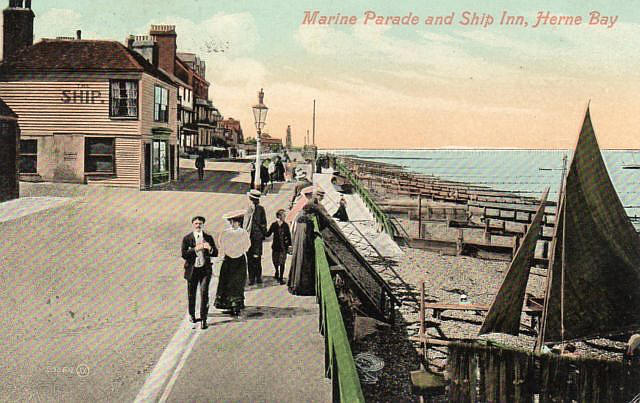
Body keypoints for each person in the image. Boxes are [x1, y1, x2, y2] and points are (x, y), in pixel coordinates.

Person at [181, 216, 218, 329]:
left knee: (204, 294)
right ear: (193, 224)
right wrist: (197, 248)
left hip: (204, 270)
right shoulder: (187, 238)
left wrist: (210, 248)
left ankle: (204, 319)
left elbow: (215, 253)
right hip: (192, 270)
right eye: (196, 223)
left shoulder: (208, 237)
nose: (198, 225)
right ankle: (192, 314)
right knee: (191, 294)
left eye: (200, 223)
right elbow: (184, 254)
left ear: (203, 225)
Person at [214, 210, 252, 316]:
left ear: (239, 222)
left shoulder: (242, 233)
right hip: (230, 260)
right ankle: (228, 304)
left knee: (237, 281)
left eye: (234, 222)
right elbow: (221, 244)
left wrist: (235, 251)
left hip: (238, 259)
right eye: (230, 221)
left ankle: (236, 305)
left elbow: (247, 246)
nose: (232, 224)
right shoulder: (225, 232)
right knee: (228, 281)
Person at [288, 203, 317, 296]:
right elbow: (309, 239)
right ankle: (304, 288)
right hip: (305, 249)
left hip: (298, 247)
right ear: (310, 214)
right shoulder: (308, 223)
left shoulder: (299, 220)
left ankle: (295, 285)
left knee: (297, 265)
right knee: (305, 268)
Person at [244, 189, 267, 285]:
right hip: (250, 237)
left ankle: (257, 277)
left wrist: (262, 234)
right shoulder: (249, 209)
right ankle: (253, 278)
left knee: (256, 257)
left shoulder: (259, 209)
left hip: (256, 237)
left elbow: (263, 223)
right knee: (251, 258)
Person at [265, 209, 292, 284]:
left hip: (283, 247)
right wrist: (262, 229)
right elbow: (268, 234)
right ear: (279, 216)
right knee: (275, 261)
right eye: (283, 215)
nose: (284, 216)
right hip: (276, 247)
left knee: (282, 262)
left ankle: (281, 277)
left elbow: (289, 236)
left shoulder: (286, 225)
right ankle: (277, 271)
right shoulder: (274, 225)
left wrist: (290, 245)